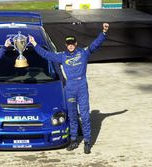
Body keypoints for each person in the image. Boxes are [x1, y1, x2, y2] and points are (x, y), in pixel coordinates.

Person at [28, 23, 109, 154]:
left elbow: (95, 45)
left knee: (85, 115)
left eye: (72, 43)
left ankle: (87, 142)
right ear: (66, 45)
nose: (70, 45)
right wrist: (34, 44)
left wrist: (104, 32)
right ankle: (73, 140)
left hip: (81, 85)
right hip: (70, 86)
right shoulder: (62, 56)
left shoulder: (83, 53)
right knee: (71, 115)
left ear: (76, 44)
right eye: (68, 43)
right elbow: (46, 55)